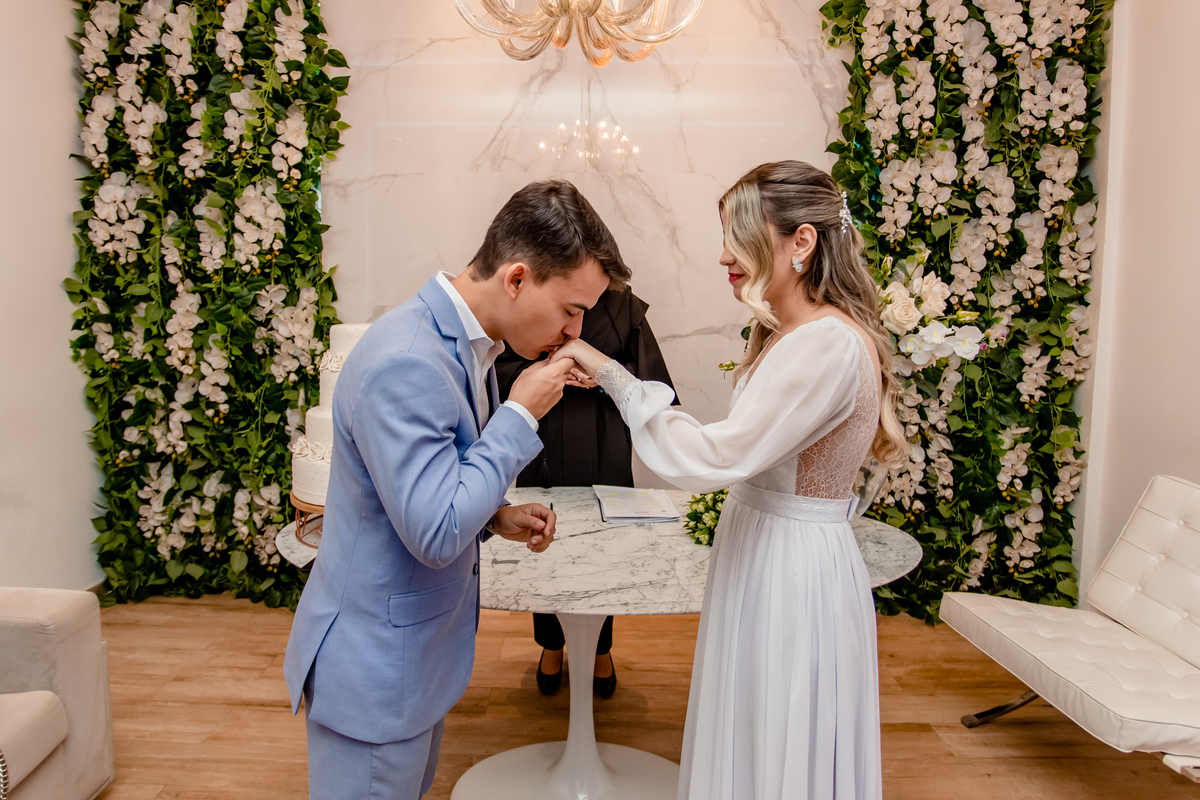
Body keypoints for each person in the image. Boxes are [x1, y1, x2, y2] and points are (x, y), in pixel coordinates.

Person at [552, 161, 906, 800]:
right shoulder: (792, 333)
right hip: (764, 548)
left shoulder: (825, 343)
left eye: (738, 236)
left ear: (802, 242)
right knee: (752, 727)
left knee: (776, 732)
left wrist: (612, 375)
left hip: (791, 565)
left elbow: (712, 457)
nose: (723, 256)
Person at [283, 180, 631, 800]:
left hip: (416, 661)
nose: (576, 331)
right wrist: (519, 415)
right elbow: (436, 533)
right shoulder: (408, 360)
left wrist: (494, 515)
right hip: (375, 671)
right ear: (517, 278)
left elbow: (432, 480)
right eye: (571, 309)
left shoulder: (471, 344)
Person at [495, 285, 678, 698]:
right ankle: (551, 643)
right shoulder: (538, 299)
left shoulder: (624, 306)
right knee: (542, 539)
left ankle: (600, 648)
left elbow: (651, 385)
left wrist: (601, 377)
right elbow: (502, 367)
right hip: (544, 432)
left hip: (603, 435)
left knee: (608, 547)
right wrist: (547, 368)